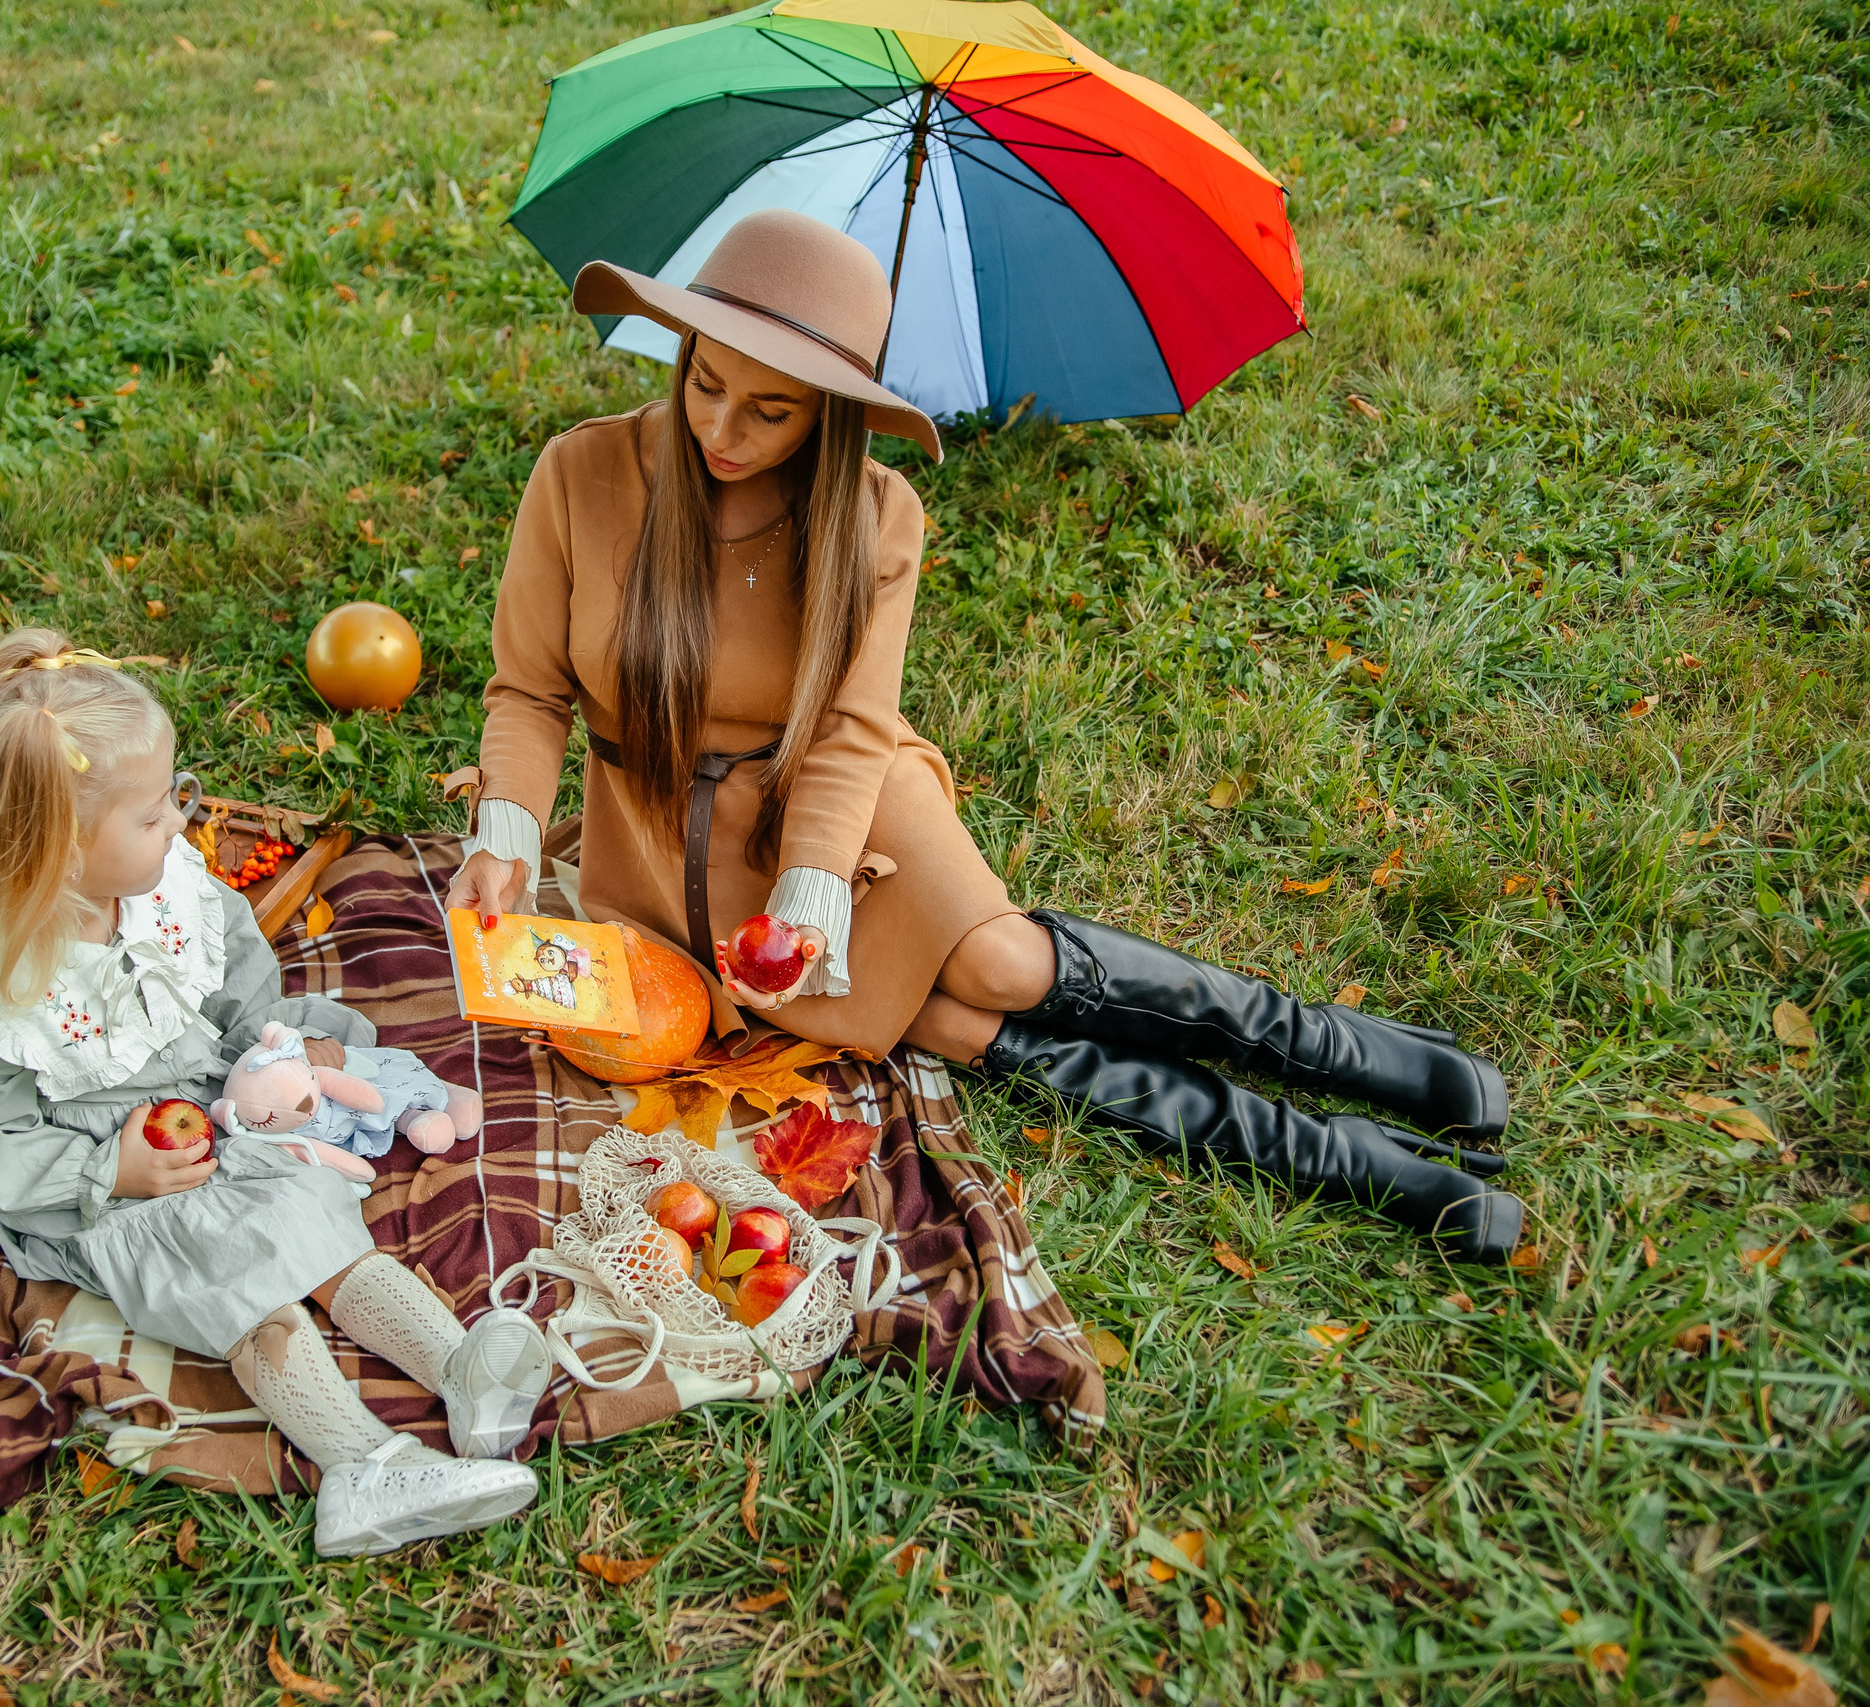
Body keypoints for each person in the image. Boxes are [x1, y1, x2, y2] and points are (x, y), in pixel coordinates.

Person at [444, 210, 1522, 1263]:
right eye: (705, 384)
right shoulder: (581, 475)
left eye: (769, 411)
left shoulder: (875, 515)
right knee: (951, 1026)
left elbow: (852, 727)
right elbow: (530, 690)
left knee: (998, 965)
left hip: (833, 797)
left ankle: (1337, 1050)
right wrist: (507, 836)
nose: (721, 432)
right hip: (663, 841)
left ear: (829, 414)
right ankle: (1344, 1159)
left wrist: (809, 896)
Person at [0, 629, 551, 1554]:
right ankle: (361, 1465)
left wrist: (272, 1043)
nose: (179, 822)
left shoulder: (166, 888)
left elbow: (233, 985)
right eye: (152, 814)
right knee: (236, 1269)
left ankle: (460, 1370)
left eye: (174, 796)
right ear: (64, 849)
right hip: (121, 1191)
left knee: (305, 1207)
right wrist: (109, 1170)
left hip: (215, 1118)